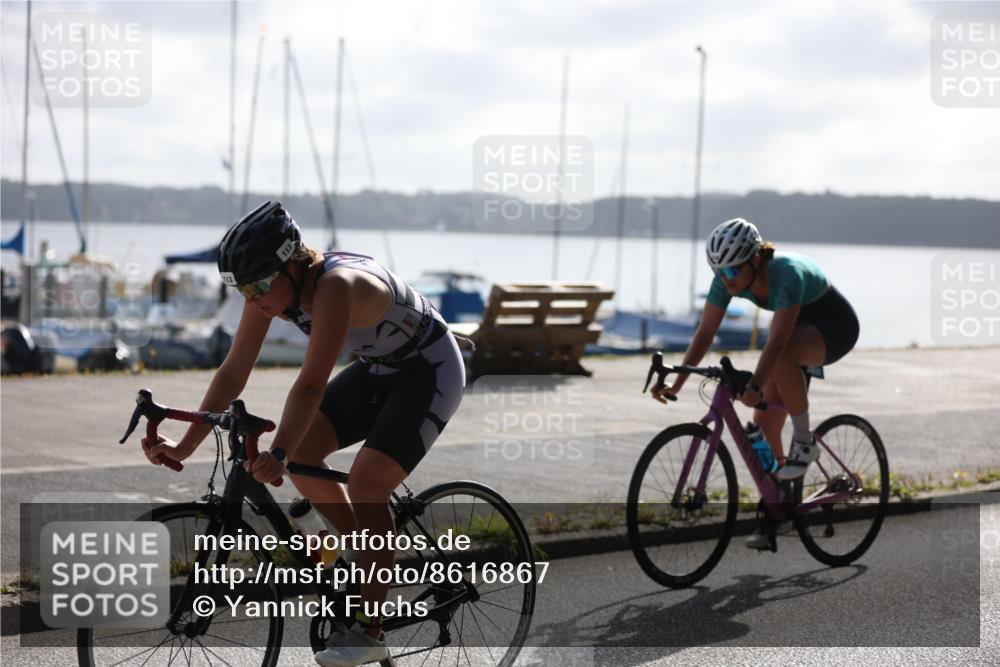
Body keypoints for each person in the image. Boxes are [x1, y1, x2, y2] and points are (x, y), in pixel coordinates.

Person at [141, 201, 466, 666]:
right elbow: (233, 371)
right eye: (239, 289)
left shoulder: (336, 285)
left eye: (255, 286)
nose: (251, 300)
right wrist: (186, 443)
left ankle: (370, 629)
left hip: (428, 370)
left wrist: (277, 450)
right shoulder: (272, 292)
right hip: (378, 368)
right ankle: (365, 559)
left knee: (367, 482)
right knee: (306, 457)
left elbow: (312, 383)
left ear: (291, 263)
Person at [650, 217, 859, 549]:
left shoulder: (785, 275)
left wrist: (755, 384)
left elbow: (776, 344)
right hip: (796, 331)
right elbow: (704, 333)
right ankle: (779, 510)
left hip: (834, 328)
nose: (725, 278)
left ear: (756, 259)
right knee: (763, 428)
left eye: (732, 271)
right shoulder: (726, 276)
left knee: (784, 354)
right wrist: (677, 383)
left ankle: (805, 441)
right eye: (718, 272)